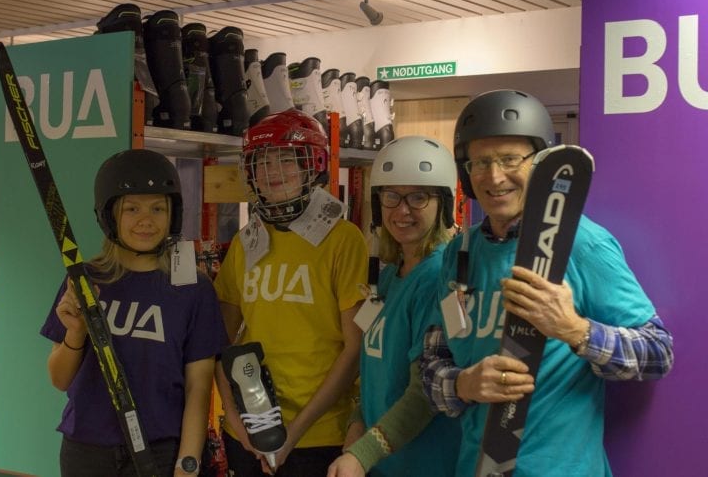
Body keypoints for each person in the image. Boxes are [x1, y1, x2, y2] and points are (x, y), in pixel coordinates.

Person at [419, 89, 675, 476]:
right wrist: (462, 385)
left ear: (539, 163)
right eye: (480, 162)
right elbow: (432, 360)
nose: (494, 176)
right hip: (476, 467)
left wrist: (574, 329)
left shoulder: (583, 243)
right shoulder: (460, 253)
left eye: (509, 159)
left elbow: (658, 354)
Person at [40, 149, 227, 477]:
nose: (146, 220)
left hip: (158, 449)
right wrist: (76, 332)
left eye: (158, 208)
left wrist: (188, 461)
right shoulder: (84, 280)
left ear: (174, 213)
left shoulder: (193, 290)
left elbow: (199, 386)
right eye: (132, 208)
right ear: (110, 215)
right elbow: (59, 379)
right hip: (86, 448)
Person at [212, 108, 368, 477]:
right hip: (248, 433)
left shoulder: (343, 239)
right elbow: (219, 343)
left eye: (286, 159)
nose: (273, 172)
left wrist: (293, 435)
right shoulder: (245, 241)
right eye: (262, 162)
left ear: (311, 165)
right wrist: (235, 420)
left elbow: (354, 348)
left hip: (317, 437)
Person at [327, 136, 461, 477]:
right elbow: (375, 371)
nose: (402, 210)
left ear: (443, 203)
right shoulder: (390, 277)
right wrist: (358, 422)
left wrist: (362, 454)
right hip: (383, 462)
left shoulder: (437, 278)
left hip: (424, 465)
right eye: (391, 196)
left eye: (418, 196)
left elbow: (424, 393)